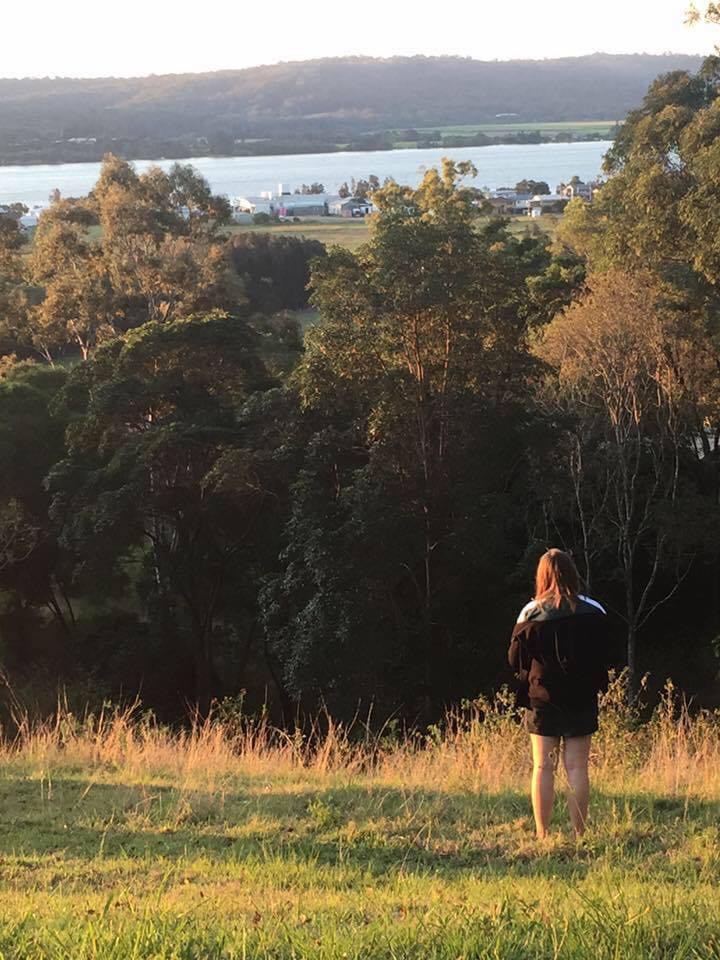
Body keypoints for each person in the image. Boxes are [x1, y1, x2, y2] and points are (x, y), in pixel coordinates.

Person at [508, 548, 609, 839]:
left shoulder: (531, 612)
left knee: (543, 766)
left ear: (542, 575)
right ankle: (579, 834)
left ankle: (542, 834)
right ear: (573, 573)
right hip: (581, 696)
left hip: (542, 697)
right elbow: (607, 652)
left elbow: (514, 659)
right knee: (577, 767)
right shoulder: (593, 609)